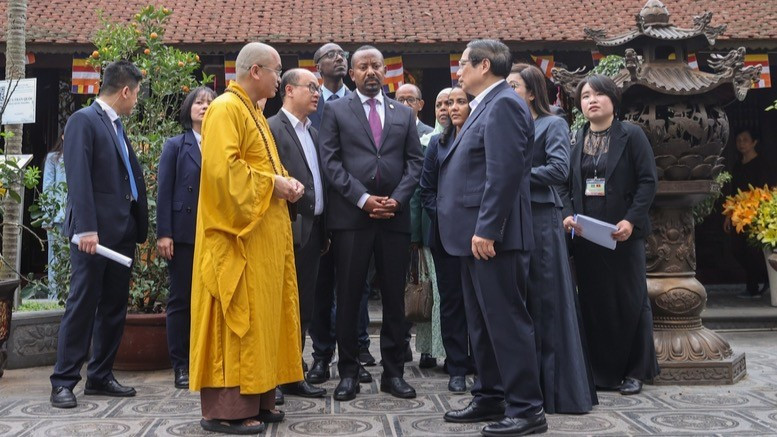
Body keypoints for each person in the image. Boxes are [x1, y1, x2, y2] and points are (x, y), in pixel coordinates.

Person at [189, 42, 305, 435]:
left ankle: (259, 397)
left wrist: (284, 182)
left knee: (263, 321)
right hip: (236, 240)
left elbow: (259, 165)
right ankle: (227, 410)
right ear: (255, 71)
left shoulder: (253, 110)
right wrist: (274, 184)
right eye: (276, 70)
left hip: (263, 242)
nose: (279, 77)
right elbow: (225, 174)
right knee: (237, 320)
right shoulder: (225, 108)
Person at [438, 40, 547, 436]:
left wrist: (487, 228)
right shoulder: (485, 103)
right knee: (481, 323)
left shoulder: (503, 103)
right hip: (470, 236)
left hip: (492, 236)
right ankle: (490, 395)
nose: (459, 72)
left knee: (505, 320)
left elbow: (503, 173)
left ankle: (526, 408)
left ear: (485, 65)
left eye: (464, 64)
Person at [319, 45, 423, 401]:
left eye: (376, 65)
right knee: (348, 297)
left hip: (394, 217)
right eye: (362, 66)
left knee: (394, 298)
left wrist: (397, 198)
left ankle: (393, 373)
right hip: (351, 218)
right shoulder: (334, 111)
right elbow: (330, 163)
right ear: (352, 73)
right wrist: (363, 199)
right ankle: (348, 372)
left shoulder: (402, 114)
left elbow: (415, 163)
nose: (370, 72)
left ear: (385, 71)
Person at [50, 60, 149, 409]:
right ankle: (63, 380)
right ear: (125, 91)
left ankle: (101, 375)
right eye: (135, 93)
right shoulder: (83, 121)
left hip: (121, 231)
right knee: (82, 303)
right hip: (93, 237)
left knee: (113, 306)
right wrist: (87, 228)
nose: (136, 100)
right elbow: (78, 177)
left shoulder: (116, 126)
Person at [507, 63, 597, 414]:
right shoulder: (511, 126)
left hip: (543, 218)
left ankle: (557, 391)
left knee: (547, 304)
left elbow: (559, 169)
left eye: (514, 86)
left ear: (532, 92)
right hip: (515, 218)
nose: (508, 92)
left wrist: (512, 174)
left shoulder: (552, 123)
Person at [562, 74, 659, 396]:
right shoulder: (577, 137)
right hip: (588, 236)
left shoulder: (631, 135)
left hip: (623, 235)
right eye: (586, 95)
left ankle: (635, 371)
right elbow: (565, 185)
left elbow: (648, 181)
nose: (592, 100)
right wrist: (567, 215)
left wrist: (631, 220)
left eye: (599, 94)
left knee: (629, 302)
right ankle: (601, 372)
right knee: (594, 303)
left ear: (613, 101)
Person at [305, 42, 376, 385]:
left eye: (341, 55)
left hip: (354, 208)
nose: (338, 57)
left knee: (356, 286)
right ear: (317, 66)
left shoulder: (362, 102)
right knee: (322, 285)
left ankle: (357, 349)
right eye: (329, 54)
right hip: (319, 210)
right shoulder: (308, 103)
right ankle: (320, 355)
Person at [268, 68, 328, 400]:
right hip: (286, 229)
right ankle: (273, 378)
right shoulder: (272, 128)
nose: (317, 93)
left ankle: (294, 371)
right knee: (278, 306)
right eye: (311, 87)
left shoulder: (313, 132)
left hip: (314, 231)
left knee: (303, 305)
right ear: (289, 90)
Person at [156, 86, 217, 389]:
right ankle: (181, 364)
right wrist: (164, 233)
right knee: (181, 299)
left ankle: (208, 360)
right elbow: (164, 191)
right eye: (199, 102)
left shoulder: (222, 144)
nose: (204, 107)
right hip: (183, 233)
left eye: (210, 103)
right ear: (188, 108)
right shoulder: (175, 146)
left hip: (217, 233)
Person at [419, 86, 475, 393]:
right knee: (452, 302)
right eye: (449, 103)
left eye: (460, 102)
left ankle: (481, 362)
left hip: (481, 236)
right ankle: (456, 366)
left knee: (479, 302)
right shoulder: (436, 145)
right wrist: (445, 216)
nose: (453, 108)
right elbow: (426, 189)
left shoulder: (481, 138)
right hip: (445, 235)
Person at [723, 129, 776, 298]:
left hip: (756, 213)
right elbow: (732, 192)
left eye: (745, 140)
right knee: (737, 249)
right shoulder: (737, 165)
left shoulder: (762, 164)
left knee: (753, 251)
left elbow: (766, 190)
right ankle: (762, 279)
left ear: (754, 142)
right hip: (739, 213)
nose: (741, 143)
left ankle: (752, 287)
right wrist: (728, 215)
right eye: (738, 140)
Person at [41, 135, 67, 300]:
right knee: (55, 261)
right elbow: (48, 188)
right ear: (63, 136)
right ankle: (53, 299)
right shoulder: (54, 158)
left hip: (78, 219)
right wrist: (47, 218)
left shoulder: (82, 155)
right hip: (58, 218)